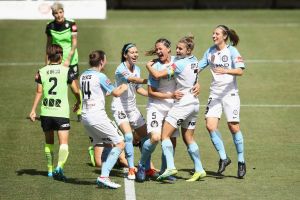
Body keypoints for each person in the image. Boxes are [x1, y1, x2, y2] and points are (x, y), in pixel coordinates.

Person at [146, 35, 206, 182]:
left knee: (164, 136)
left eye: (180, 49)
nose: (177, 51)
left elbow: (159, 74)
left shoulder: (178, 64)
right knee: (189, 138)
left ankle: (170, 167)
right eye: (177, 48)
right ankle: (199, 169)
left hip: (182, 103)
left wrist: (148, 65)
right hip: (195, 103)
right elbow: (196, 77)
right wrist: (198, 84)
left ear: (188, 50)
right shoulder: (194, 60)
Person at [198, 25, 246, 178]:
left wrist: (226, 70)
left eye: (217, 34)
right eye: (213, 33)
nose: (213, 36)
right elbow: (198, 66)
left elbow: (240, 71)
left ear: (224, 36)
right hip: (215, 94)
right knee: (210, 126)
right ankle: (224, 158)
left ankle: (241, 161)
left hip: (230, 94)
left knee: (233, 127)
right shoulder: (210, 51)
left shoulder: (232, 51)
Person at [29, 44, 81, 181]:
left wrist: (33, 110)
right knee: (63, 143)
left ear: (48, 56)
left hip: (46, 112)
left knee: (49, 142)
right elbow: (75, 90)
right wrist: (79, 101)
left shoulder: (41, 71)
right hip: (61, 112)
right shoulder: (66, 70)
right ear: (61, 56)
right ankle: (59, 167)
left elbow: (39, 91)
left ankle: (50, 170)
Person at [136, 38, 183, 182]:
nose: (158, 51)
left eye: (160, 48)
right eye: (156, 49)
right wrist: (170, 95)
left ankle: (164, 171)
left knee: (171, 141)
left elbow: (190, 73)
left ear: (168, 49)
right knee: (156, 138)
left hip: (173, 107)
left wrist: (197, 84)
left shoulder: (177, 62)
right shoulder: (154, 66)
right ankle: (142, 165)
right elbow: (151, 92)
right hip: (156, 106)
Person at [80, 50, 128, 189]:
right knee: (120, 143)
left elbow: (100, 92)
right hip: (97, 117)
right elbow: (117, 93)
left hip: (86, 117)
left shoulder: (84, 75)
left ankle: (104, 176)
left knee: (108, 144)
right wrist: (125, 85)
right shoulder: (100, 76)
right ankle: (104, 176)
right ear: (101, 61)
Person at [111, 43, 150, 180]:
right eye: (132, 52)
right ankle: (131, 169)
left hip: (132, 108)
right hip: (119, 107)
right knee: (128, 136)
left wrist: (153, 95)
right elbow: (132, 79)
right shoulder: (120, 69)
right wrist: (151, 79)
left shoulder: (137, 69)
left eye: (136, 52)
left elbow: (138, 87)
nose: (135, 54)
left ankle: (146, 167)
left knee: (147, 138)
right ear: (125, 55)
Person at [45, 2, 82, 122]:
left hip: (71, 59)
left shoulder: (71, 24)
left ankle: (80, 105)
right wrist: (47, 61)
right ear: (53, 14)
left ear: (63, 12)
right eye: (56, 13)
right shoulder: (49, 26)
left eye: (60, 12)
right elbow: (49, 44)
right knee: (60, 87)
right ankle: (60, 111)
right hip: (56, 59)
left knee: (75, 89)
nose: (59, 15)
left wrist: (68, 59)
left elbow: (74, 43)